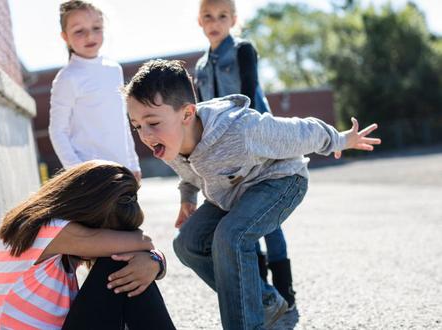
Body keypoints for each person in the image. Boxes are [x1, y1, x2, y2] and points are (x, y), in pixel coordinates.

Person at [124, 59, 380, 329]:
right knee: (187, 244)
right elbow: (188, 173)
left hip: (280, 181)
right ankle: (265, 301)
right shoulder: (168, 140)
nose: (145, 135)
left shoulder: (240, 129)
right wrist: (187, 198)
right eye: (137, 126)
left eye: (152, 122)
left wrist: (340, 140)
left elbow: (301, 131)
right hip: (231, 192)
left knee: (230, 236)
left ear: (187, 114)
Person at [0, 160, 176, 329]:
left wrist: (155, 261)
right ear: (91, 211)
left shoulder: (49, 231)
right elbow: (144, 242)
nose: (107, 238)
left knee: (127, 264)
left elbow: (144, 248)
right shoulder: (50, 229)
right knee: (119, 262)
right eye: (107, 231)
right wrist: (154, 258)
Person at [194, 0, 295, 309]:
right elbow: (202, 112)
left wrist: (250, 141)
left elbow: (249, 94)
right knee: (240, 217)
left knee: (268, 219)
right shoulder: (199, 67)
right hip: (223, 153)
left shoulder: (242, 50)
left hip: (257, 142)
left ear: (233, 19)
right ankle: (263, 291)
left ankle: (284, 290)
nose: (215, 22)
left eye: (222, 16)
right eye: (208, 16)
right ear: (199, 21)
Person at [49, 0, 141, 180]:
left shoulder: (114, 69)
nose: (89, 36)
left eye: (96, 28)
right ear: (65, 37)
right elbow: (57, 131)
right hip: (91, 176)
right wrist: (77, 171)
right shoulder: (67, 78)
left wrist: (133, 163)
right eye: (79, 31)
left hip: (122, 170)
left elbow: (122, 122)